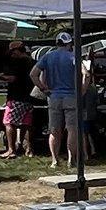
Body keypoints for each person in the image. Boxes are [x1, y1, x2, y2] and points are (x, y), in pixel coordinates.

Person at [34, 31, 82, 166]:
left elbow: (33, 74)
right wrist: (81, 90)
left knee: (54, 130)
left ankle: (54, 160)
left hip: (53, 96)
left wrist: (43, 88)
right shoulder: (73, 57)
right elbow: (85, 74)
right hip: (71, 96)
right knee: (72, 129)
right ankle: (71, 159)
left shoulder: (47, 56)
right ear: (69, 44)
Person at [0, 48, 37, 159]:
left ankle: (11, 150)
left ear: (17, 51)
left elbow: (13, 78)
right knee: (27, 124)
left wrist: (1, 77)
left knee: (9, 122)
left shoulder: (18, 63)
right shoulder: (33, 62)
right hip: (30, 97)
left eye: (12, 53)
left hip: (16, 96)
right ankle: (29, 149)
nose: (12, 55)